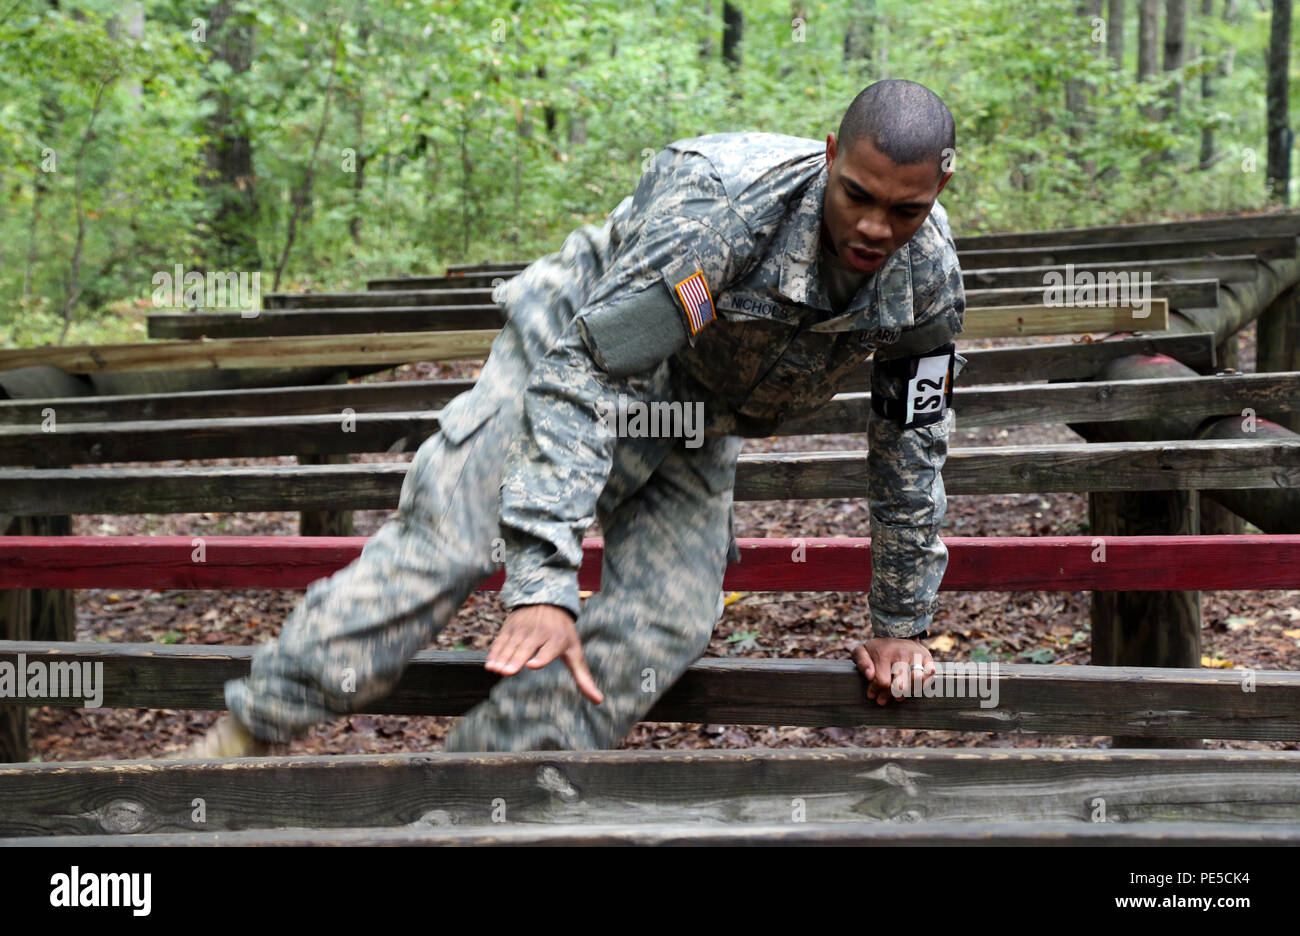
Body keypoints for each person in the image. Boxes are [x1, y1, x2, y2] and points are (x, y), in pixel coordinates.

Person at [169, 78, 965, 758]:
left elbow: (911, 443)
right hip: (581, 342)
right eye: (857, 195)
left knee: (666, 623)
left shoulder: (929, 281)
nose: (873, 227)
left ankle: (469, 793)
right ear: (830, 155)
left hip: (699, 413)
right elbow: (588, 373)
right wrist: (544, 582)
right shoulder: (720, 218)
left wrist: (902, 622)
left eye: (903, 210)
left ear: (937, 194)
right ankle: (243, 740)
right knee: (451, 545)